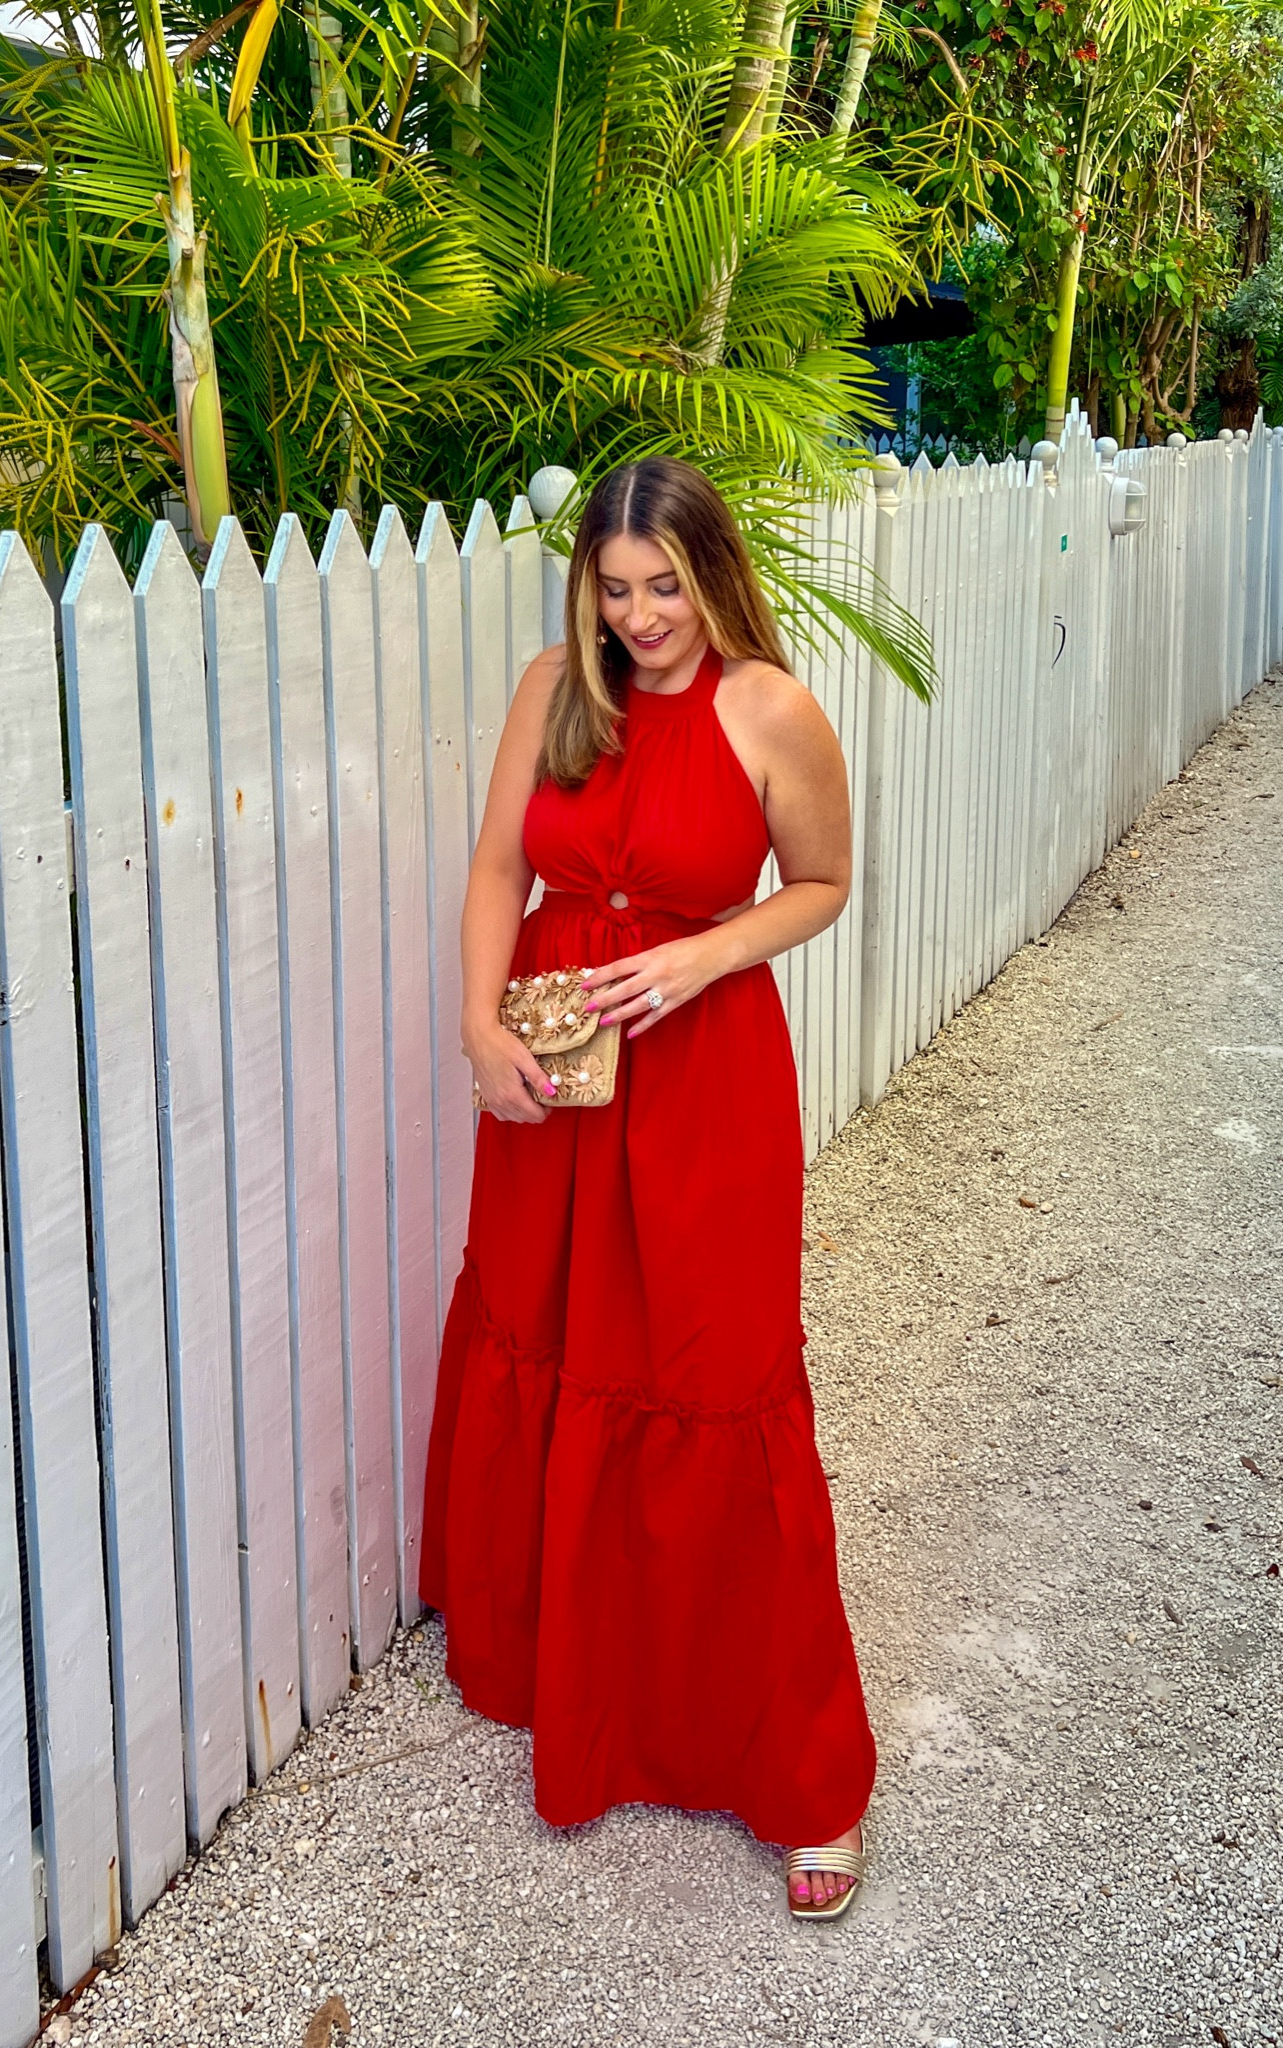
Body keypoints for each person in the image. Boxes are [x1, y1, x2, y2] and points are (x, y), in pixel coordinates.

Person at [420, 455, 875, 1919]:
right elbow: (501, 866)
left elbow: (822, 881)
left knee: (714, 1378)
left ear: (711, 571)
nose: (640, 617)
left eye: (664, 586)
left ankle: (802, 1778)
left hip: (700, 1081)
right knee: (556, 1349)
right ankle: (574, 1684)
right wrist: (480, 1026)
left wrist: (703, 951)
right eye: (615, 590)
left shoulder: (771, 709)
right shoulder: (559, 684)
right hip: (555, 1076)